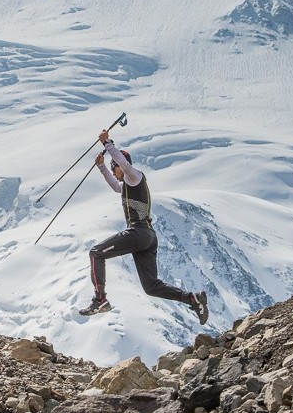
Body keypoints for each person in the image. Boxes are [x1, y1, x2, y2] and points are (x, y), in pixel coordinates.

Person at [78, 128, 209, 324]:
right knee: (151, 287)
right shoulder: (128, 185)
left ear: (120, 165)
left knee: (96, 253)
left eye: (115, 168)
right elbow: (115, 186)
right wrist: (102, 168)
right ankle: (192, 298)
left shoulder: (134, 176)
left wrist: (107, 143)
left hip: (138, 232)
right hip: (148, 237)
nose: (115, 172)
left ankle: (100, 300)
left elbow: (123, 163)